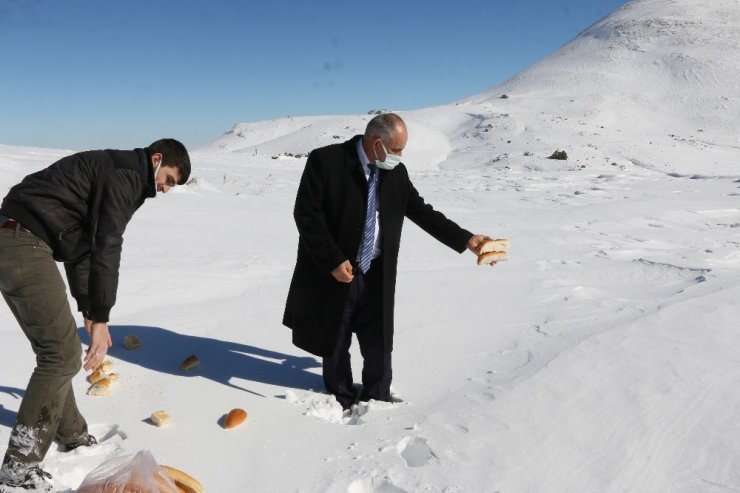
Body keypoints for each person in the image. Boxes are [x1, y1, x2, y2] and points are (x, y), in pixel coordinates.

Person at [0, 139, 191, 491]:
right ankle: (19, 466)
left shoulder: (118, 172)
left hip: (16, 237)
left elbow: (80, 247)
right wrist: (101, 318)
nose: (165, 189)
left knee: (56, 350)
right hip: (22, 240)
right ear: (156, 159)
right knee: (60, 354)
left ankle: (70, 431)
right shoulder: (125, 176)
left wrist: (89, 308)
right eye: (167, 179)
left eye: (172, 187)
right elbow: (106, 245)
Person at [283, 113, 492, 411]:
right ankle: (340, 396)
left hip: (377, 271)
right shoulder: (326, 161)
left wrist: (466, 239)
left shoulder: (396, 172)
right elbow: (306, 215)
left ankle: (378, 396)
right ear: (375, 142)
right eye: (396, 150)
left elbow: (422, 211)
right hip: (337, 271)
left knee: (379, 340)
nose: (400, 156)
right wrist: (332, 259)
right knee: (336, 338)